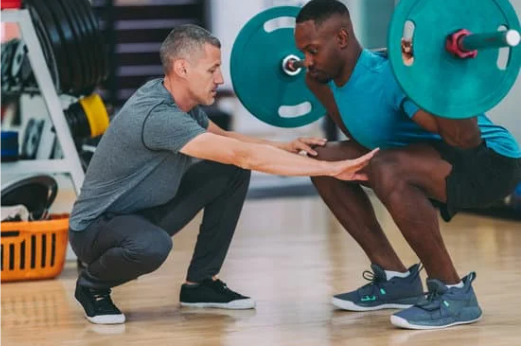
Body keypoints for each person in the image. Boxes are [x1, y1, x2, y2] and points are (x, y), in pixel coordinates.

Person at [69, 24, 377, 325]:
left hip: (144, 212)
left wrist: (285, 147)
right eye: (212, 69)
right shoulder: (157, 115)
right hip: (97, 229)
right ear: (182, 68)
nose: (219, 78)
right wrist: (330, 169)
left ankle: (200, 283)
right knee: (153, 245)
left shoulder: (180, 101)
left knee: (230, 171)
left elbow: (228, 140)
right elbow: (242, 155)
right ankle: (92, 286)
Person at [294, 0, 521, 330]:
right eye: (302, 52)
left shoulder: (389, 77)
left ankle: (455, 295)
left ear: (341, 38)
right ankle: (396, 279)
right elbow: (361, 138)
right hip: (432, 158)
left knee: (388, 167)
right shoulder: (319, 81)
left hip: (489, 161)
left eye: (312, 50)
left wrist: (449, 74)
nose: (306, 61)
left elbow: (461, 141)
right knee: (320, 162)